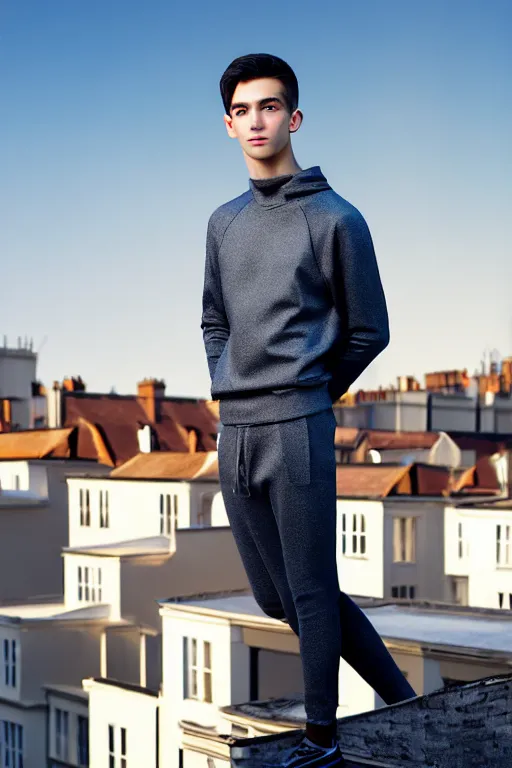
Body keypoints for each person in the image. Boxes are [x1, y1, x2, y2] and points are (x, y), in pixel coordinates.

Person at [201, 53, 416, 768]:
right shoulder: (223, 223)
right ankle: (401, 697)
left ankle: (322, 738)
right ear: (228, 125)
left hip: (297, 425)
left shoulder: (336, 219)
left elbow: (370, 330)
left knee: (313, 589)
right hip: (235, 432)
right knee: (274, 597)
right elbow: (213, 320)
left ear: (293, 118)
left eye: (270, 106)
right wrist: (221, 377)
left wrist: (313, 390)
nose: (256, 120)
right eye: (243, 110)